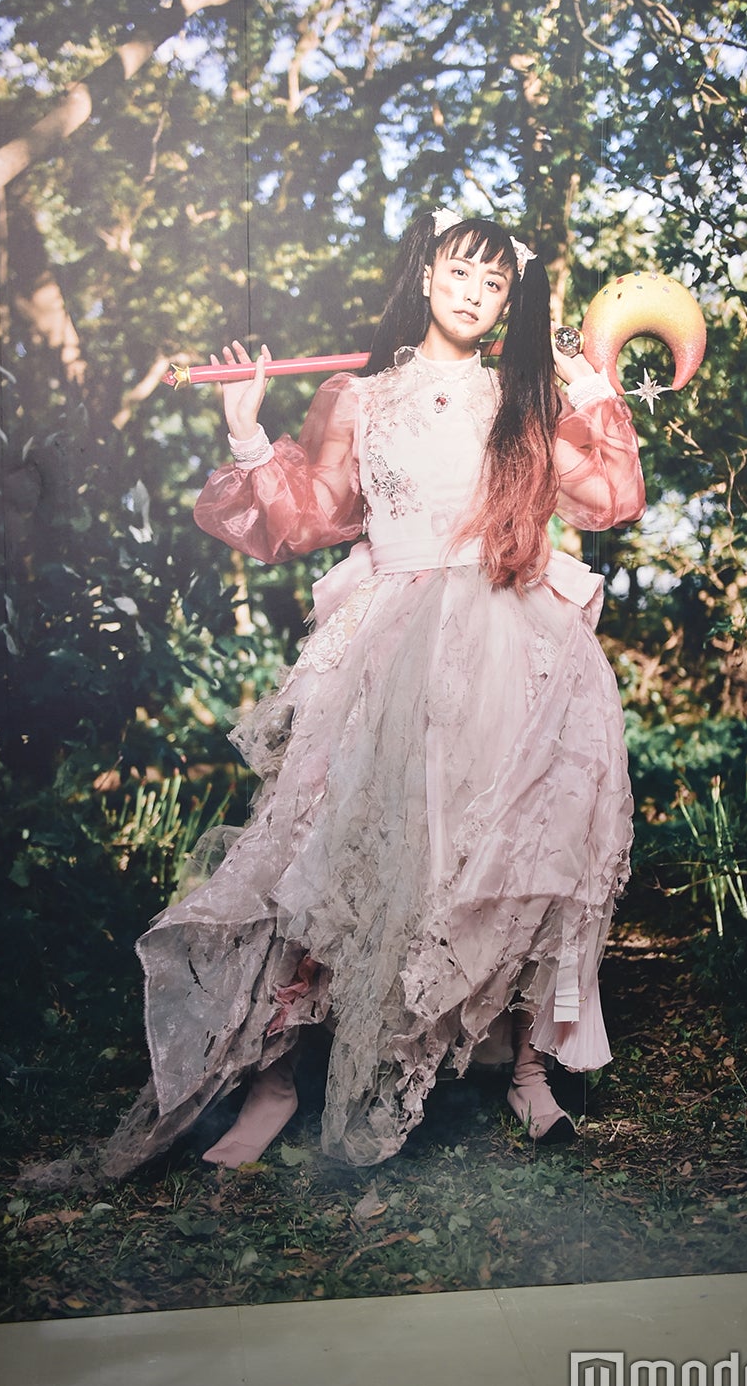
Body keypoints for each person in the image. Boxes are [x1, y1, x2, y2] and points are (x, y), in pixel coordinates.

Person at [102, 208, 645, 1177]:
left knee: (522, 840)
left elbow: (609, 500)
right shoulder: (359, 395)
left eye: (494, 283)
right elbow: (310, 513)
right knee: (324, 843)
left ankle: (526, 1069)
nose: (473, 294)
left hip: (506, 635)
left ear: (508, 302)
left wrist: (593, 392)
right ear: (426, 274)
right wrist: (247, 432)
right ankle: (276, 1084)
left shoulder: (521, 398)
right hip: (383, 639)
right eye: (459, 272)